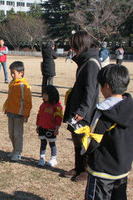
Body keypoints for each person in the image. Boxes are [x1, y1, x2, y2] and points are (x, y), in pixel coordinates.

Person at [74, 64, 133, 200]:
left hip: (101, 171)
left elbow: (93, 140)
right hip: (122, 169)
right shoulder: (130, 107)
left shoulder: (104, 112)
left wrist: (84, 151)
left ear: (106, 86)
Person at [63, 31, 101, 182]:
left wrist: (82, 110)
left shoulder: (91, 63)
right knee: (76, 137)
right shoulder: (84, 61)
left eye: (73, 45)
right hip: (77, 107)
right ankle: (78, 167)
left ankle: (86, 170)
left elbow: (90, 90)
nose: (71, 48)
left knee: (84, 138)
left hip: (85, 110)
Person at [3, 61, 32, 161]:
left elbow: (27, 101)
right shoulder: (12, 83)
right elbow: (10, 98)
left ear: (21, 73)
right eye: (11, 72)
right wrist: (6, 107)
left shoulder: (23, 85)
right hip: (10, 113)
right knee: (11, 134)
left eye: (13, 73)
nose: (11, 75)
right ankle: (14, 149)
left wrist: (26, 114)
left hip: (19, 114)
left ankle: (18, 151)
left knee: (17, 134)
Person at [36, 85, 63, 167]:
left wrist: (57, 128)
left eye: (45, 95)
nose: (43, 96)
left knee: (52, 143)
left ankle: (53, 158)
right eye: (43, 94)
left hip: (51, 128)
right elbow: (39, 115)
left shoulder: (57, 106)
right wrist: (38, 125)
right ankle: (42, 158)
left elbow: (59, 118)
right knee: (43, 143)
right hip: (42, 127)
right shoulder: (43, 105)